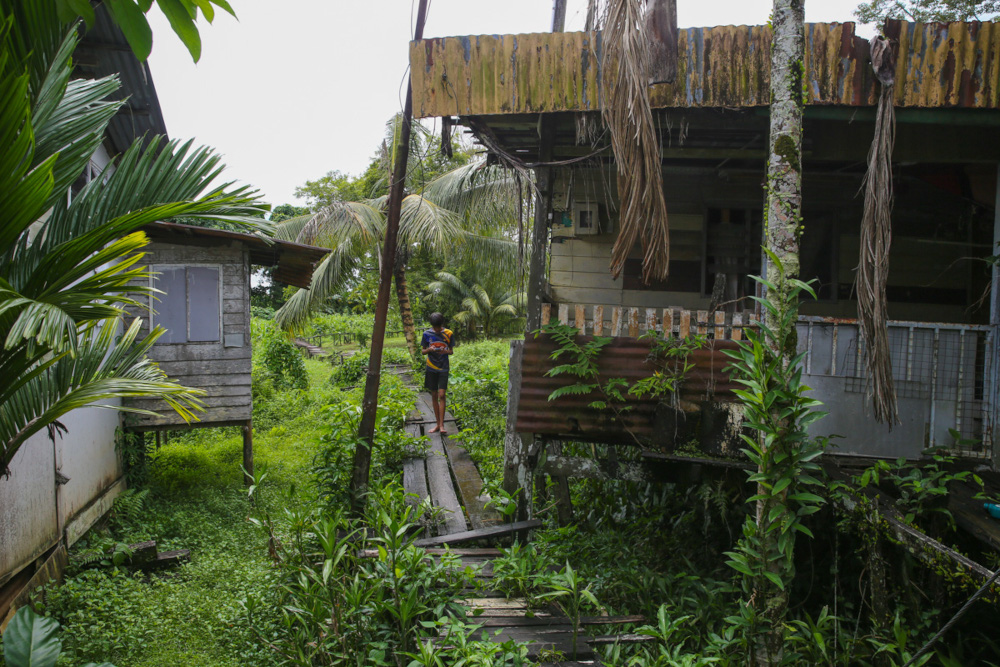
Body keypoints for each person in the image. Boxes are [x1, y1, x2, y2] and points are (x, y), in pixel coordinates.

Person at [420, 312, 455, 434]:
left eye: (438, 327)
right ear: (432, 325)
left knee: (442, 395)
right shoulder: (426, 334)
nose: (437, 329)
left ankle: (442, 426)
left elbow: (451, 351)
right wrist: (429, 349)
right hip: (431, 367)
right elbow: (423, 351)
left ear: (442, 324)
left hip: (444, 368)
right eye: (435, 327)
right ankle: (437, 424)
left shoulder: (449, 333)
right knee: (434, 395)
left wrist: (444, 351)